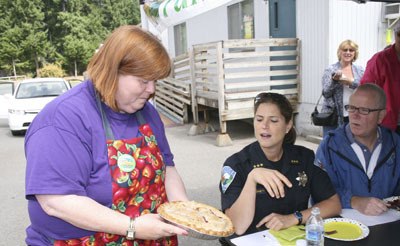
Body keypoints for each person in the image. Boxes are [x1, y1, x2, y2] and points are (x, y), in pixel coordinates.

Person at [24, 25, 189, 245]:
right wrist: (133, 227)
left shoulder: (146, 112)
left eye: (155, 81)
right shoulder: (63, 119)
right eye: (144, 81)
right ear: (113, 71)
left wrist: (184, 210)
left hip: (148, 236)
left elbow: (167, 167)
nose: (152, 90)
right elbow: (56, 201)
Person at [219, 92, 341, 238]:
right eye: (259, 119)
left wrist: (295, 218)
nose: (264, 126)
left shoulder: (304, 158)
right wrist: (252, 180)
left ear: (288, 125)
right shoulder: (236, 165)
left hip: (291, 240)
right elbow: (236, 226)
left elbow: (334, 204)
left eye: (273, 120)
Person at [315, 84, 400, 216]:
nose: (355, 115)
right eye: (352, 108)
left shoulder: (395, 144)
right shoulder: (330, 146)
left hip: (388, 225)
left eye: (364, 110)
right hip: (342, 227)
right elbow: (317, 191)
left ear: (381, 116)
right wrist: (353, 201)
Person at [360, 21, 400, 133]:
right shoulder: (380, 60)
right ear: (395, 35)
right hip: (388, 124)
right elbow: (367, 91)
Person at [321, 40, 364, 137]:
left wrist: (350, 82)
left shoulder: (360, 70)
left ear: (355, 53)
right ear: (340, 52)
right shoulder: (331, 69)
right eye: (345, 50)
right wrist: (334, 81)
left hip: (354, 114)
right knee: (331, 144)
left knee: (352, 144)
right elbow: (326, 93)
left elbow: (364, 89)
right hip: (333, 115)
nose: (348, 52)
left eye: (351, 50)